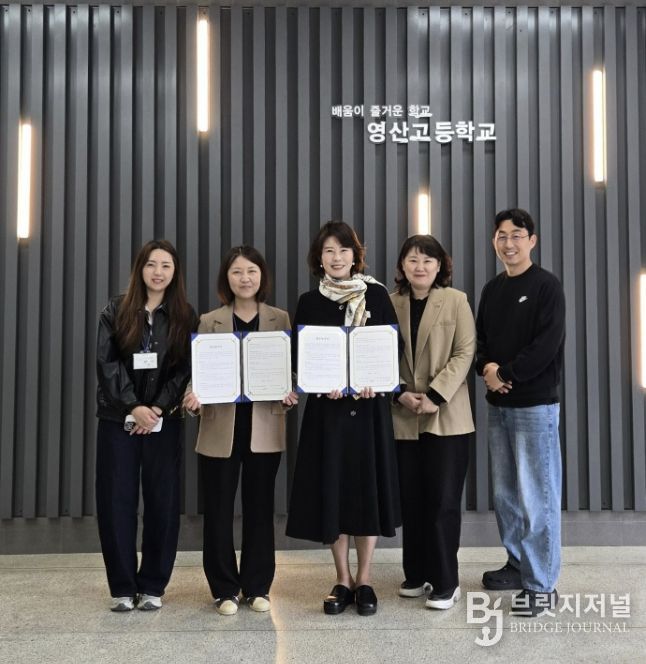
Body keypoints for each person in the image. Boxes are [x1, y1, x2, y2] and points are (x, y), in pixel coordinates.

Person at [286, 220, 401, 617]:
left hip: (368, 410)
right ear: (319, 258)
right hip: (327, 412)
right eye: (329, 251)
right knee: (332, 490)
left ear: (356, 255)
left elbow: (392, 346)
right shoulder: (309, 301)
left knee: (366, 489)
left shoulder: (376, 294)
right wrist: (320, 383)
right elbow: (300, 354)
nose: (337, 258)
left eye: (344, 250)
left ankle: (365, 578)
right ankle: (342, 578)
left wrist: (375, 380)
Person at [183, 246, 298, 616]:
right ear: (226, 278)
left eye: (251, 271)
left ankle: (257, 586)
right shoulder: (209, 321)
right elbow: (197, 373)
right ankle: (224, 589)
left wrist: (290, 391)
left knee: (260, 509)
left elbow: (288, 370)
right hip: (220, 428)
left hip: (264, 427)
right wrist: (192, 398)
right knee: (218, 510)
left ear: (262, 276)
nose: (245, 278)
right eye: (237, 272)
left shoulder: (280, 319)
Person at [95, 239, 197, 612]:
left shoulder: (185, 315)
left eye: (166, 266)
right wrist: (133, 406)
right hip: (118, 419)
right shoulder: (116, 309)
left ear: (175, 272)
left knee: (162, 502)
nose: (158, 272)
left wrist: (156, 408)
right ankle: (123, 587)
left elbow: (184, 369)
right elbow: (107, 364)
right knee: (116, 501)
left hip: (163, 421)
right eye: (151, 264)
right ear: (140, 269)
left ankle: (153, 584)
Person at [475, 208, 565, 617]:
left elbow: (546, 345)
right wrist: (487, 370)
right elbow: (480, 341)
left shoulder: (546, 286)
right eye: (501, 235)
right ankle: (517, 563)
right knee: (507, 494)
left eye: (516, 235)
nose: (508, 243)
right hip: (500, 406)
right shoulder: (492, 289)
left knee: (537, 494)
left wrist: (505, 374)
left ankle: (542, 584)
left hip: (535, 406)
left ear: (532, 240)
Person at [390, 235, 475, 611]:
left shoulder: (456, 301)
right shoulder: (389, 303)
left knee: (442, 501)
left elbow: (465, 351)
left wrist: (435, 396)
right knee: (412, 500)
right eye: (412, 260)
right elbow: (378, 352)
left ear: (440, 265)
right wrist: (399, 392)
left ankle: (445, 580)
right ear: (402, 266)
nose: (420, 266)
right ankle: (416, 573)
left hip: (447, 417)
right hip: (404, 415)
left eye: (427, 260)